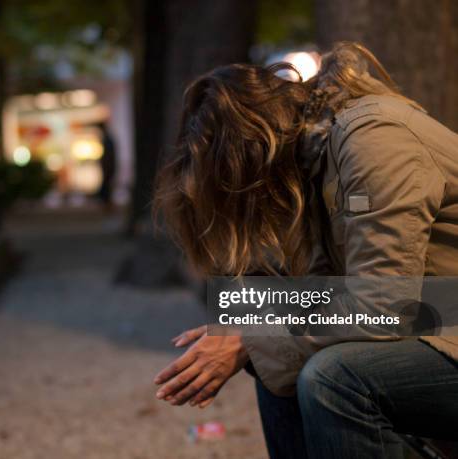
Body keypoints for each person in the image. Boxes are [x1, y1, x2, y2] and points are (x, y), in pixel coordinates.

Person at [152, 42, 458, 458]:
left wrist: (253, 335)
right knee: (269, 344)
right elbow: (342, 292)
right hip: (441, 315)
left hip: (442, 320)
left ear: (257, 150)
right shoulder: (317, 156)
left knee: (331, 376)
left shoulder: (374, 141)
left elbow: (382, 305)